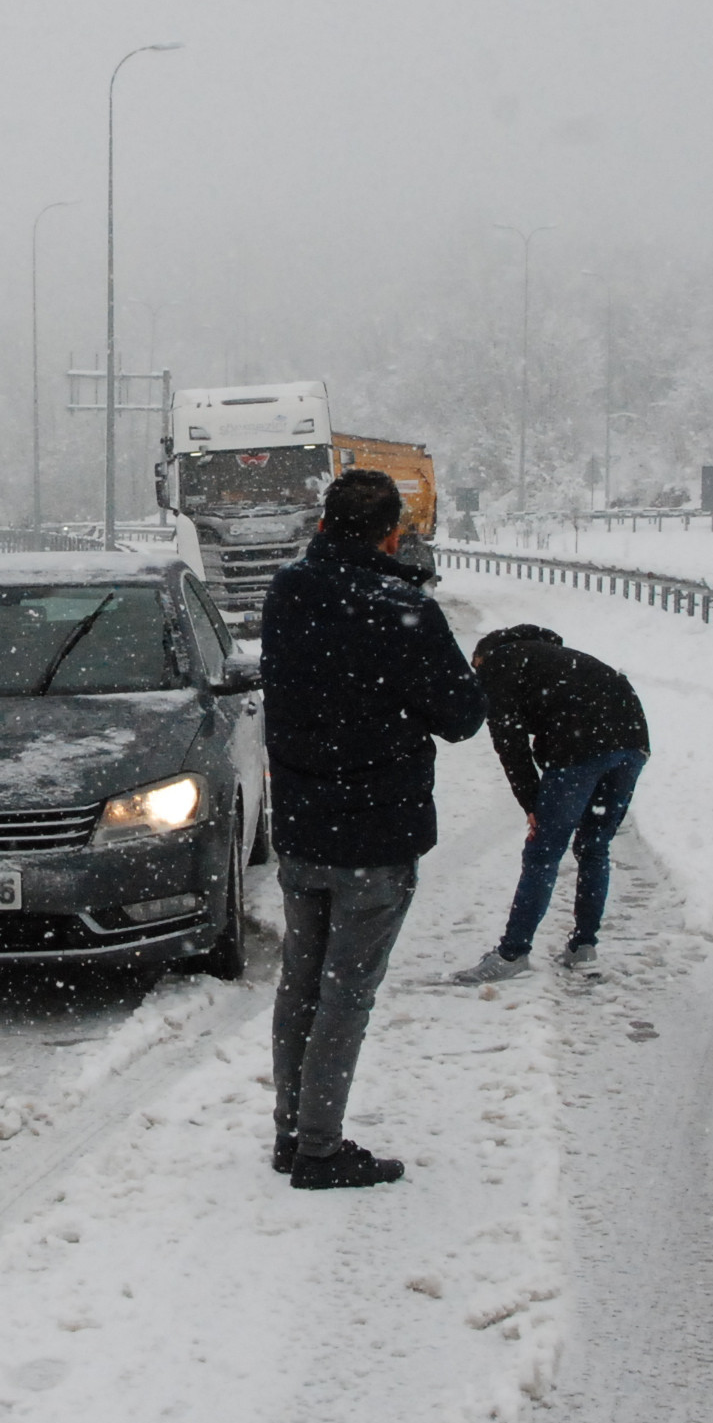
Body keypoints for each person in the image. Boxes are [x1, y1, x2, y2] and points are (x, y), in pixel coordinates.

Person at [259, 467, 488, 1190]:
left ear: (325, 524)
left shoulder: (287, 591)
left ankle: (291, 1133)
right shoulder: (404, 609)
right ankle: (320, 1151)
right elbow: (463, 717)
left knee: (301, 982)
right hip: (377, 832)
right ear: (393, 535)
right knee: (347, 993)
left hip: (302, 824)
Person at [452, 625, 649, 982]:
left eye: (475, 666)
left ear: (483, 657)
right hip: (633, 740)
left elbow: (510, 744)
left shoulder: (498, 665)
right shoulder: (555, 658)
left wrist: (531, 804)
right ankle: (584, 947)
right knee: (594, 846)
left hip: (582, 745)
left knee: (543, 852)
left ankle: (512, 953)